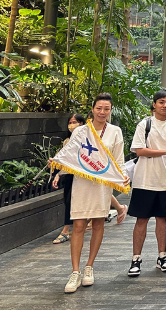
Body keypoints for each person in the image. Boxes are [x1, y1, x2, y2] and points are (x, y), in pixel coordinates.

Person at [63, 94, 127, 293]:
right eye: (99, 108)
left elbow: (119, 158)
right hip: (82, 183)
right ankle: (75, 272)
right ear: (92, 109)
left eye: (106, 109)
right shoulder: (81, 131)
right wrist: (58, 167)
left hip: (102, 183)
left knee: (98, 223)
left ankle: (89, 266)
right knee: (79, 225)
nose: (102, 112)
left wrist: (123, 177)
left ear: (110, 111)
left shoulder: (115, 132)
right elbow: (69, 155)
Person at [128, 90, 166, 278]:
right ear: (154, 104)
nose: (165, 105)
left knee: (162, 219)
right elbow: (139, 150)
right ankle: (136, 259)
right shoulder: (145, 124)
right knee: (141, 219)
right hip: (144, 180)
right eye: (161, 102)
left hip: (165, 180)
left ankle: (162, 256)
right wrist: (165, 151)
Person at [53, 113, 87, 245]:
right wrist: (57, 173)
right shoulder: (67, 141)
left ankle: (66, 230)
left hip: (83, 175)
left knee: (72, 201)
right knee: (68, 200)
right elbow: (64, 160)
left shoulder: (87, 141)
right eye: (70, 122)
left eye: (75, 122)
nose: (72, 125)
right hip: (69, 175)